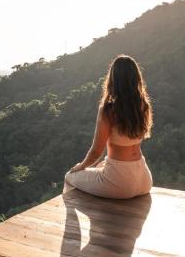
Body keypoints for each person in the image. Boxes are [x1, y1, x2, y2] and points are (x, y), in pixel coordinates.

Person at [65, 55, 153, 199]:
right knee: (100, 166)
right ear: (136, 78)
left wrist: (80, 166)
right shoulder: (143, 105)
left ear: (113, 79)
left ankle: (69, 220)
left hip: (120, 183)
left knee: (70, 176)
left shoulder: (109, 110)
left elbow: (96, 151)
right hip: (144, 180)